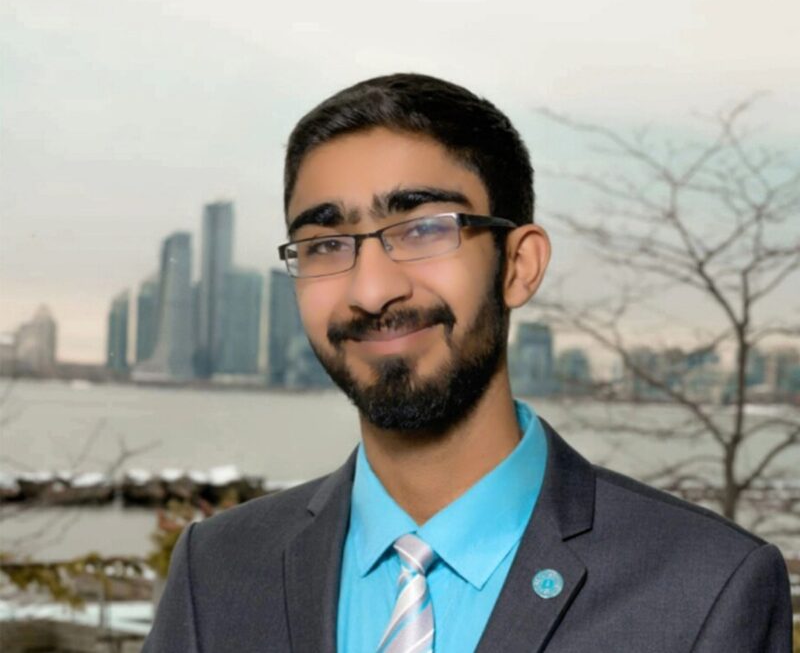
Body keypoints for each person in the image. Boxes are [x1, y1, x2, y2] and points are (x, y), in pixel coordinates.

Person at [144, 74, 792, 652]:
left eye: (424, 229)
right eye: (326, 243)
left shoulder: (705, 589)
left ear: (519, 265)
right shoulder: (218, 570)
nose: (371, 290)